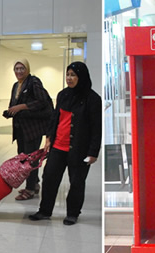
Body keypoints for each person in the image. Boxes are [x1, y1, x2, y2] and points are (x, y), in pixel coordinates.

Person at [28, 61, 101, 225]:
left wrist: (93, 152)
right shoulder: (63, 95)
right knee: (49, 178)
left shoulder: (93, 99)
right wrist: (48, 138)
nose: (69, 78)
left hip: (79, 149)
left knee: (76, 181)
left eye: (73, 75)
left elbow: (97, 128)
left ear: (81, 77)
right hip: (58, 146)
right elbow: (55, 118)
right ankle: (45, 211)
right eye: (68, 75)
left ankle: (73, 213)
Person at [3, 59, 53, 200]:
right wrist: (10, 112)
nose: (19, 71)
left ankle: (30, 189)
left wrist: (22, 107)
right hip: (21, 129)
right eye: (17, 69)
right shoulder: (16, 85)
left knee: (29, 160)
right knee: (24, 158)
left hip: (32, 129)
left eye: (22, 68)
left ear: (28, 69)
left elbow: (42, 101)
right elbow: (14, 103)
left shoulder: (33, 82)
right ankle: (34, 184)